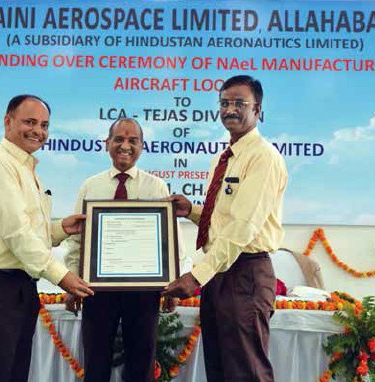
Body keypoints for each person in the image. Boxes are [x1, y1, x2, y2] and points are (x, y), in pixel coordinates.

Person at [0, 95, 94, 382]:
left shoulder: (25, 168)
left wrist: (60, 230)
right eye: (29, 122)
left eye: (44, 125)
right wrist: (62, 276)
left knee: (13, 373)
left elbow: (25, 229)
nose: (38, 131)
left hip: (17, 289)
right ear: (8, 122)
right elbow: (16, 234)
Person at [163, 75, 288, 382]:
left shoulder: (262, 157)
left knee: (246, 371)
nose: (230, 109)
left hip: (245, 273)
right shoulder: (226, 156)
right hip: (220, 273)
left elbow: (243, 228)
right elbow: (225, 219)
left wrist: (196, 276)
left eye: (239, 103)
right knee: (219, 368)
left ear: (257, 109)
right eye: (224, 103)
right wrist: (191, 211)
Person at [63, 118, 191, 382]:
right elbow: (77, 240)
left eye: (133, 140)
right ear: (107, 144)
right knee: (96, 363)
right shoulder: (91, 186)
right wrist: (71, 281)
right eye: (119, 139)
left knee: (141, 364)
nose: (125, 146)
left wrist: (172, 284)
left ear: (142, 146)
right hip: (95, 291)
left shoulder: (156, 186)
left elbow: (171, 240)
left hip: (143, 292)